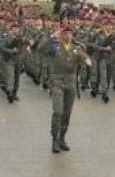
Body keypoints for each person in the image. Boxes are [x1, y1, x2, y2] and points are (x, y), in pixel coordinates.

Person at [39, 25, 91, 153]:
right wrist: (51, 37)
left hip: (71, 84)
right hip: (57, 82)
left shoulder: (75, 48)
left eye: (69, 34)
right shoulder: (55, 46)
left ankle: (62, 138)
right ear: (61, 35)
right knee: (58, 111)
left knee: (67, 113)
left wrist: (87, 60)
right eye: (65, 34)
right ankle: (54, 140)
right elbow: (41, 48)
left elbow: (83, 56)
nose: (67, 36)